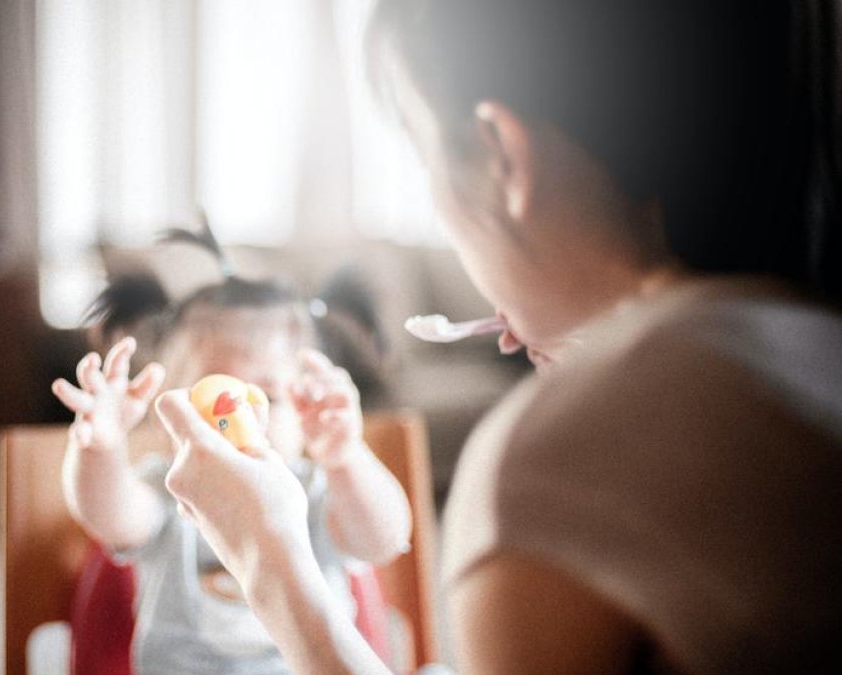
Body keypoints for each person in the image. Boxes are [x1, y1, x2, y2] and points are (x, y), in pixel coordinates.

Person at [153, 1, 842, 673]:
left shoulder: (542, 464)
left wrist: (272, 563)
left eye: (423, 157)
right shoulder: (815, 343)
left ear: (501, 153)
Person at [51, 229, 412, 674]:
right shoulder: (170, 490)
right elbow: (107, 514)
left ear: (304, 409)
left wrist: (346, 457)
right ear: (167, 407)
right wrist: (101, 448)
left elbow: (384, 539)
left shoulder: (314, 493)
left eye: (268, 396)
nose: (235, 417)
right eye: (212, 393)